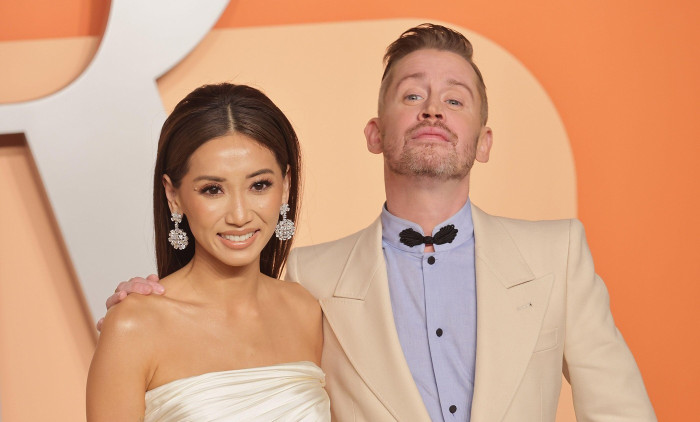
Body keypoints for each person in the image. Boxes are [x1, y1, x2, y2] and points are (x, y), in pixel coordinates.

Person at [103, 24, 656, 421]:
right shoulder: (307, 282)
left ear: (485, 142)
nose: (433, 110)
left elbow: (619, 409)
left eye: (455, 100)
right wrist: (143, 309)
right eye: (412, 94)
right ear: (374, 133)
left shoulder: (556, 255)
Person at [86, 83, 330, 421]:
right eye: (213, 190)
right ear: (174, 196)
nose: (240, 215)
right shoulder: (133, 326)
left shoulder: (307, 310)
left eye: (259, 185)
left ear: (286, 184)